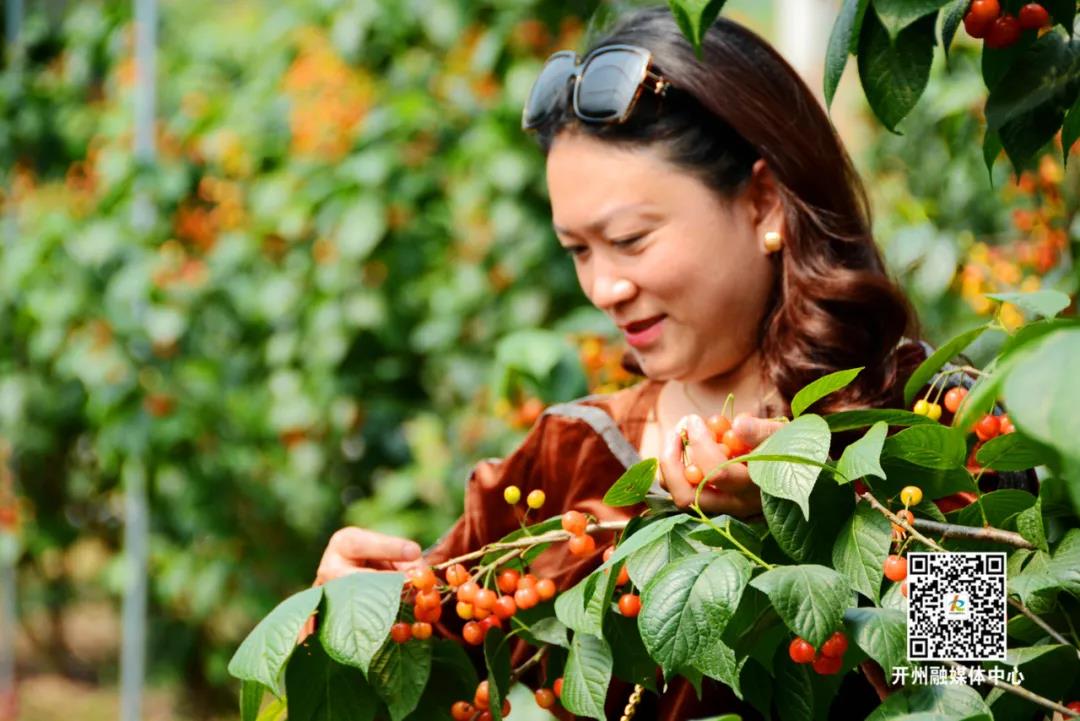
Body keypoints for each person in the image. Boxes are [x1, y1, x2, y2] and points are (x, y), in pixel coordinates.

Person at [314, 7, 929, 718]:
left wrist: (813, 514)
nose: (603, 288)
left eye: (631, 239)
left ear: (764, 203)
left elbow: (984, 678)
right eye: (579, 250)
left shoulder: (927, 425)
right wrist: (353, 617)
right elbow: (442, 681)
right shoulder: (566, 460)